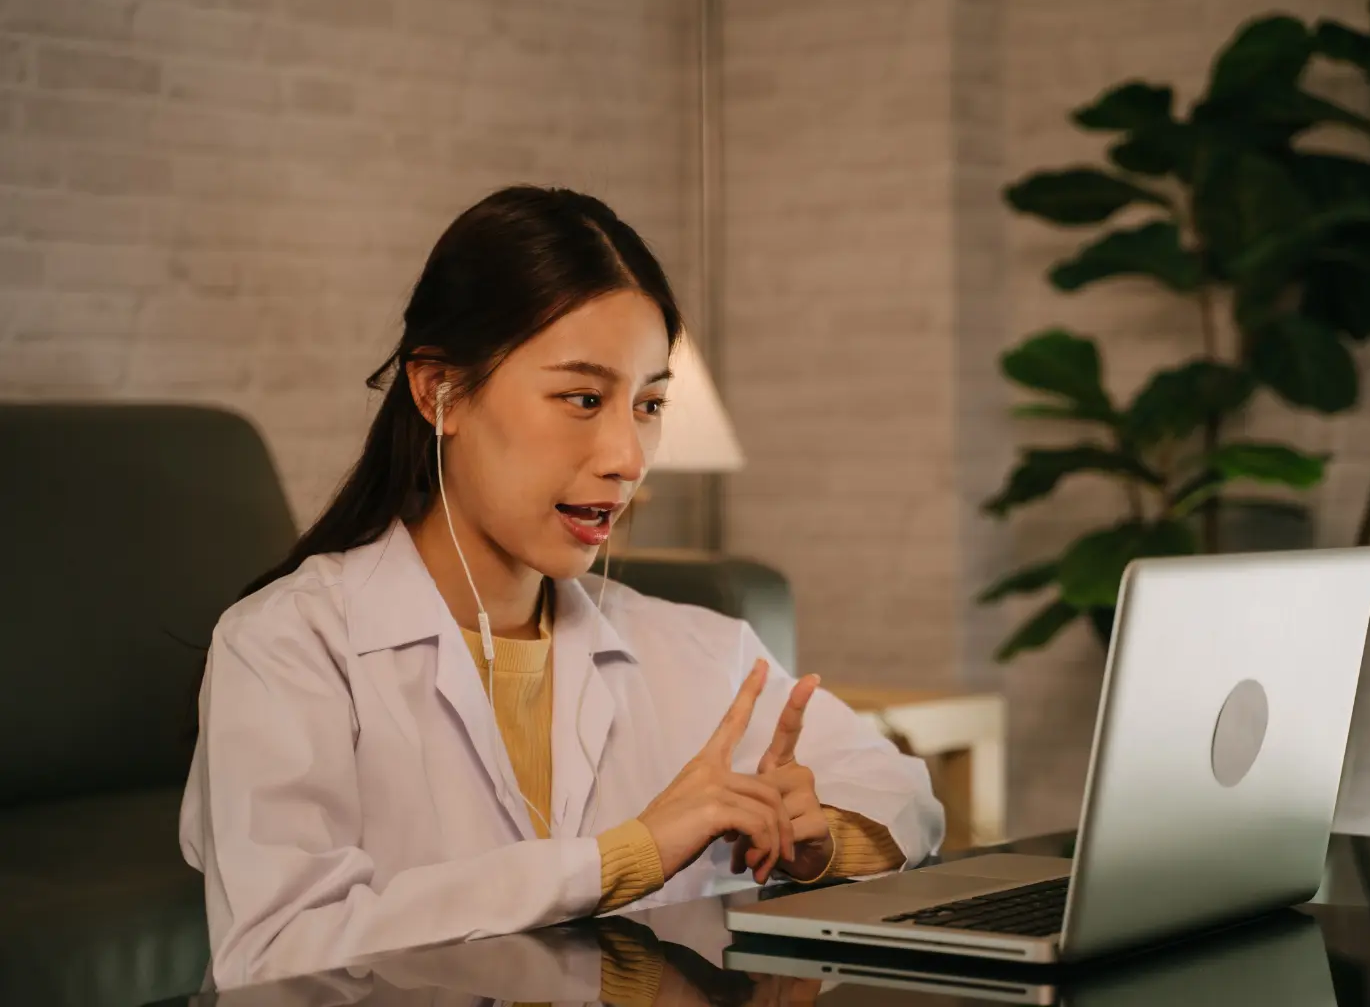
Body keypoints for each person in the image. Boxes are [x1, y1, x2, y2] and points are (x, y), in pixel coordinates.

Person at [179, 186, 945, 989]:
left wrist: (820, 832)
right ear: (439, 391)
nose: (628, 456)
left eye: (649, 403)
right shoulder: (288, 644)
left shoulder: (695, 648)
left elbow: (904, 796)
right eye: (583, 399)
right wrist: (623, 858)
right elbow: (275, 956)